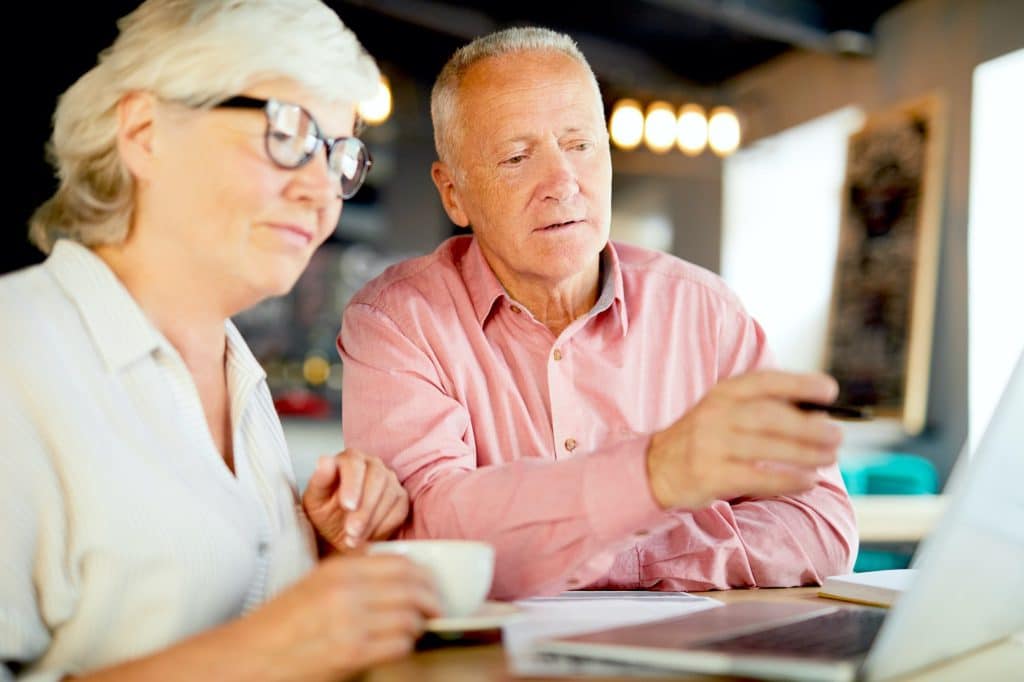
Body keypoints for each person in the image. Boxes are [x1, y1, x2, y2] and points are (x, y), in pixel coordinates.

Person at [337, 27, 859, 601]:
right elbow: (427, 534)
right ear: (453, 192)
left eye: (581, 145)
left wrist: (619, 550)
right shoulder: (398, 321)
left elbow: (821, 524)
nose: (562, 183)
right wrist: (656, 479)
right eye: (516, 156)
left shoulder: (706, 313)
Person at [0, 1, 440, 680]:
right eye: (287, 130)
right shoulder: (18, 354)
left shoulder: (236, 374)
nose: (322, 189)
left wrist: (323, 552)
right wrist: (273, 647)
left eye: (339, 154)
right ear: (144, 132)